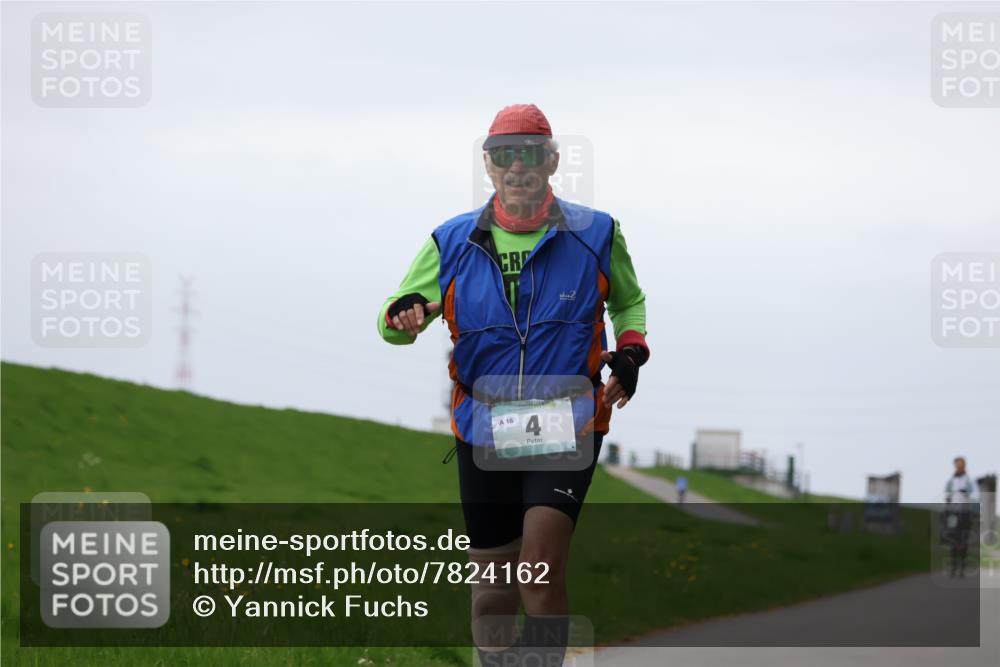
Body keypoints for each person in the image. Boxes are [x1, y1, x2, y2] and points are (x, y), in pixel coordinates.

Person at [377, 104, 649, 666]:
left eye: (529, 154)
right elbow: (393, 324)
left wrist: (630, 352)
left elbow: (628, 301)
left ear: (551, 162)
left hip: (568, 420)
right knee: (493, 591)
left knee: (540, 573)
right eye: (504, 155)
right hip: (485, 426)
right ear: (488, 165)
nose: (517, 166)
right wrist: (401, 315)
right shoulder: (451, 239)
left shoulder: (597, 231)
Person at [944, 456, 979, 578]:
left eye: (961, 465)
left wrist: (968, 494)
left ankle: (962, 568)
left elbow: (975, 494)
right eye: (957, 465)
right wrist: (948, 500)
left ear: (964, 466)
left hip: (965, 513)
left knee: (963, 539)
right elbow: (946, 494)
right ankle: (953, 567)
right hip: (953, 513)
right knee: (953, 539)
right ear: (955, 466)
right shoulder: (950, 481)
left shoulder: (969, 480)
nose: (959, 467)